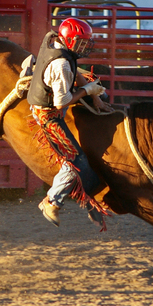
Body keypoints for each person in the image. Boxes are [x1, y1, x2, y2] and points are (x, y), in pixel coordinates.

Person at [27, 17, 114, 228]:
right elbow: (61, 102)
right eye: (81, 42)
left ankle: (91, 199)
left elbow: (76, 74)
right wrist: (87, 91)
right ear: (69, 39)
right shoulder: (61, 64)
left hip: (51, 100)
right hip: (48, 115)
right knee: (76, 159)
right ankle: (51, 201)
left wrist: (94, 97)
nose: (84, 46)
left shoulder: (60, 47)